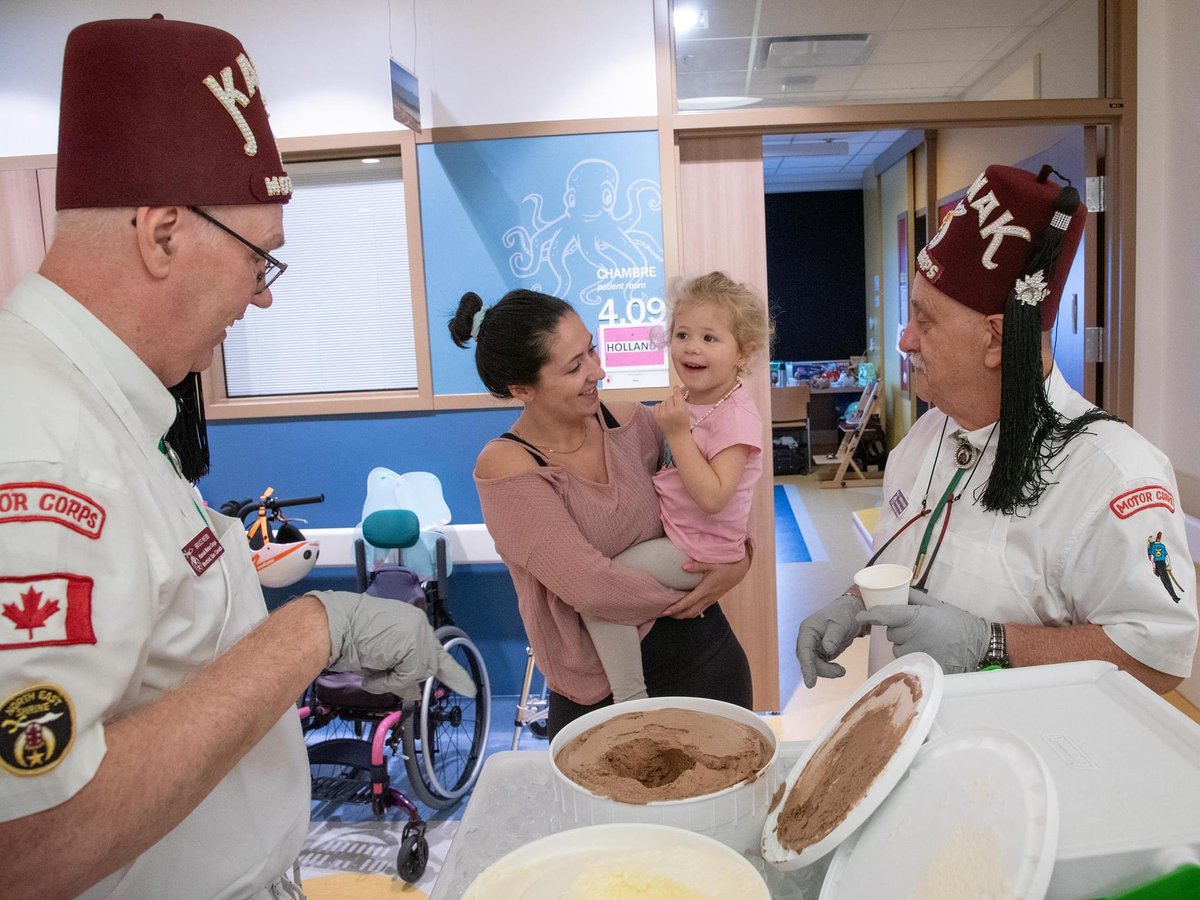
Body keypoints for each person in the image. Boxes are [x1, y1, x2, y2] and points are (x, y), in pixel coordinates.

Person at [0, 17, 470, 900]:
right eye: (260, 259)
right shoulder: (41, 448)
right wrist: (310, 630)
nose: (261, 298)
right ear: (163, 233)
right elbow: (31, 840)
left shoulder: (109, 405)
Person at [796, 164, 1197, 694]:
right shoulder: (924, 438)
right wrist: (853, 600)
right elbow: (911, 561)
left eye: (925, 319)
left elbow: (1160, 655)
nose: (905, 340)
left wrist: (993, 644)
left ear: (996, 341)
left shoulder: (1113, 472)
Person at [450, 288, 754, 737]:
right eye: (575, 366)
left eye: (591, 349)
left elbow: (717, 500)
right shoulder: (508, 467)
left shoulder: (635, 425)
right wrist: (705, 582)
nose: (598, 370)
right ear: (521, 389)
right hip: (602, 701)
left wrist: (742, 557)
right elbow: (591, 589)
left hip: (708, 663)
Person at [585, 272, 770, 702]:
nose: (691, 346)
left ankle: (629, 701)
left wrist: (678, 433)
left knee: (598, 597)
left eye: (710, 337)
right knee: (616, 600)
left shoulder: (736, 417)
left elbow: (714, 497)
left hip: (697, 549)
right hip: (685, 540)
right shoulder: (692, 400)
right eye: (682, 333)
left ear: (743, 352)